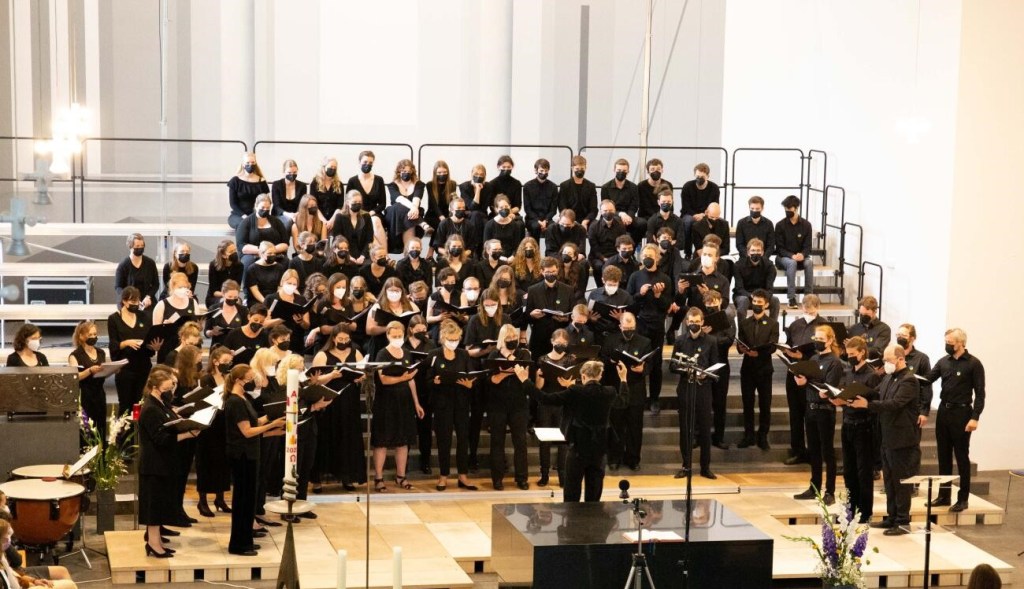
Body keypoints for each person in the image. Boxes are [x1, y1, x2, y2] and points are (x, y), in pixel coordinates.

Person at [526, 359, 629, 502]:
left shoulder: (575, 391)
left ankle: (572, 516)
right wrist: (623, 378)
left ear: (583, 376)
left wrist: (525, 381)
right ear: (600, 376)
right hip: (599, 450)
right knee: (594, 493)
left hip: (578, 449)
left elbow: (545, 398)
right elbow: (623, 401)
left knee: (572, 492)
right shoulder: (609, 391)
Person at [850, 344, 922, 534]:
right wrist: (851, 393)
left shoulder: (909, 380)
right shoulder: (889, 377)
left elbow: (895, 404)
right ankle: (891, 517)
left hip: (902, 439)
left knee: (901, 481)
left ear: (900, 359)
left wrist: (868, 405)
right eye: (884, 360)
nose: (885, 364)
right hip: (886, 436)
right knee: (889, 480)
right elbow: (876, 392)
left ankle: (902, 521)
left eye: (888, 360)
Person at [223, 364, 285, 555]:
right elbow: (247, 432)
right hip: (242, 457)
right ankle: (239, 544)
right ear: (239, 380)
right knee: (242, 501)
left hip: (250, 454)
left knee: (249, 500)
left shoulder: (244, 398)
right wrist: (271, 425)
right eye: (250, 379)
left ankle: (246, 539)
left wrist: (274, 421)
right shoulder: (234, 401)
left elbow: (255, 422)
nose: (253, 382)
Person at [923, 327, 985, 512]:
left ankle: (963, 498)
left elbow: (980, 394)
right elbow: (927, 379)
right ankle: (944, 495)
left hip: (962, 413)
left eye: (950, 343)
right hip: (944, 411)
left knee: (961, 456)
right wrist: (907, 376)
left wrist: (975, 417)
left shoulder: (974, 364)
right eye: (946, 342)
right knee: (943, 455)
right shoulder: (944, 362)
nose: (947, 345)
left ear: (961, 343)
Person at [138, 369, 192, 558]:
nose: (171, 392)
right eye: (167, 388)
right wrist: (187, 434)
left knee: (160, 503)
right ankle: (153, 544)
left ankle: (157, 541)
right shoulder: (151, 408)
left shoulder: (161, 403)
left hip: (163, 462)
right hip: (154, 465)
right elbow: (160, 438)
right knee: (154, 506)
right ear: (155, 388)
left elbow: (170, 421)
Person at [311, 325, 367, 492]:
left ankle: (347, 476)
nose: (343, 342)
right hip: (329, 401)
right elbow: (314, 380)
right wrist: (331, 375)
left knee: (348, 437)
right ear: (333, 338)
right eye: (340, 339)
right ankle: (317, 479)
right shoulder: (323, 354)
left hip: (350, 401)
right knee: (326, 437)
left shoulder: (356, 353)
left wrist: (360, 378)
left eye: (346, 339)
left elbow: (362, 373)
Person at [793, 325, 845, 505]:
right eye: (816, 339)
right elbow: (810, 382)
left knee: (827, 451)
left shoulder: (835, 362)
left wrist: (809, 382)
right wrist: (801, 380)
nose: (818, 342)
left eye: (821, 339)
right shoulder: (814, 358)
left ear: (830, 341)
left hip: (825, 410)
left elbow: (829, 386)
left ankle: (830, 491)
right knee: (813, 450)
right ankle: (814, 487)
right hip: (811, 408)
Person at [372, 321, 426, 491]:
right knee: (381, 441)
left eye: (400, 336)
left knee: (403, 441)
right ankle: (378, 478)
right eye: (394, 336)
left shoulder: (407, 353)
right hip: (386, 402)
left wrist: (416, 403)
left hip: (404, 401)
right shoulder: (382, 353)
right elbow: (383, 379)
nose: (397, 338)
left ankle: (401, 476)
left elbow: (411, 380)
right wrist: (402, 378)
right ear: (388, 335)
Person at [833, 336, 881, 523]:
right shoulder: (848, 372)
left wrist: (862, 403)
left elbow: (875, 402)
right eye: (848, 354)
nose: (850, 357)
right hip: (848, 424)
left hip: (864, 426)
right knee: (849, 471)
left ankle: (864, 512)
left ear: (862, 353)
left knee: (863, 472)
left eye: (853, 354)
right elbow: (843, 394)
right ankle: (850, 510)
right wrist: (838, 399)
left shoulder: (872, 375)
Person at [426, 320, 479, 491]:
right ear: (443, 338)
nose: (453, 342)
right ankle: (443, 476)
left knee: (463, 439)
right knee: (444, 440)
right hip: (442, 403)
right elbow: (426, 379)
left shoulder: (463, 354)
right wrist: (434, 381)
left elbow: (472, 375)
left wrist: (470, 384)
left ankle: (463, 475)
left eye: (456, 339)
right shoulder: (434, 354)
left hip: (461, 402)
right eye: (450, 339)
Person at [670, 307, 719, 479]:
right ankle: (686, 466)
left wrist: (705, 374)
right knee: (685, 429)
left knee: (705, 429)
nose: (694, 325)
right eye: (691, 322)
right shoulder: (680, 340)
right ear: (686, 322)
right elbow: (672, 366)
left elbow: (716, 365)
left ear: (702, 322)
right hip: (686, 387)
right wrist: (686, 370)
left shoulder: (711, 341)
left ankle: (705, 467)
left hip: (703, 389)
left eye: (697, 322)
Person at [780, 294, 827, 465]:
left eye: (812, 312)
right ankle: (798, 451)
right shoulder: (795, 325)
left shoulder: (824, 326)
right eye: (806, 311)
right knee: (795, 414)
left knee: (811, 416)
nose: (808, 314)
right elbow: (789, 344)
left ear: (818, 309)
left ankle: (815, 453)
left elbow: (825, 352)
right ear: (801, 308)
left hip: (812, 375)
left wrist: (803, 356)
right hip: (794, 372)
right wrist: (788, 352)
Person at [601, 312, 650, 471]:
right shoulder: (610, 340)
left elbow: (650, 364)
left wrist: (643, 369)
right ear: (620, 326)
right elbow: (602, 359)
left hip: (635, 388)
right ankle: (614, 458)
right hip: (616, 387)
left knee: (635, 427)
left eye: (632, 328)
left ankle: (633, 459)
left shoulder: (644, 342)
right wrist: (610, 361)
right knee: (616, 425)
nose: (629, 331)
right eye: (626, 328)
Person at [626, 244, 671, 416]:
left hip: (657, 325)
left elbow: (667, 306)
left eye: (650, 255)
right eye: (644, 255)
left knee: (656, 364)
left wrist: (658, 296)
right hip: (640, 324)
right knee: (637, 361)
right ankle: (638, 397)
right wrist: (641, 294)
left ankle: (654, 399)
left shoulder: (665, 278)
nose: (647, 258)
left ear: (657, 257)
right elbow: (630, 302)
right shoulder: (635, 276)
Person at [464, 288, 506, 471]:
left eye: (493, 305)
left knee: (498, 418)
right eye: (487, 305)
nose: (490, 308)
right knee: (476, 416)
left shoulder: (505, 319)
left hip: (497, 370)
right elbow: (468, 350)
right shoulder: (475, 320)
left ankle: (499, 458)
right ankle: (472, 456)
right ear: (482, 304)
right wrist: (485, 350)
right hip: (479, 369)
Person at [487, 324, 533, 490]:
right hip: (498, 404)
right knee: (497, 442)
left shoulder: (523, 354)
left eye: (514, 337)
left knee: (520, 442)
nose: (512, 340)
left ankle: (522, 478)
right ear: (502, 339)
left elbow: (524, 375)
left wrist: (509, 357)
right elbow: (492, 380)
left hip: (519, 404)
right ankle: (497, 478)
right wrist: (505, 373)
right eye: (509, 338)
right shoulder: (494, 355)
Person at [735, 289, 780, 450]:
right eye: (754, 302)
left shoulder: (773, 324)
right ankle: (748, 435)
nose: (756, 305)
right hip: (747, 369)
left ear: (766, 305)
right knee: (747, 404)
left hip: (764, 369)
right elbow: (740, 344)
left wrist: (758, 353)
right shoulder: (744, 323)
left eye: (759, 303)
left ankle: (762, 436)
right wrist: (742, 349)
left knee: (764, 404)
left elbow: (773, 346)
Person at [108, 287, 161, 416]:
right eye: (132, 301)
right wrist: (126, 343)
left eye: (137, 301)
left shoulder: (144, 317)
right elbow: (113, 345)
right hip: (124, 368)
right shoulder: (114, 319)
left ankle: (139, 429)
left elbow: (149, 340)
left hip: (143, 366)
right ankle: (124, 429)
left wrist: (154, 347)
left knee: (141, 404)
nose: (135, 304)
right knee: (125, 405)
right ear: (124, 301)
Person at [533, 329, 575, 487]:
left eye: (564, 343)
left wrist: (568, 383)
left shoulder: (570, 359)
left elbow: (573, 385)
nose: (560, 346)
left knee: (563, 441)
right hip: (546, 402)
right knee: (545, 440)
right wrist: (539, 376)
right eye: (558, 343)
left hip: (563, 403)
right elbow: (538, 387)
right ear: (552, 342)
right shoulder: (543, 359)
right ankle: (544, 475)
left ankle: (563, 475)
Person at [195, 346, 233, 519]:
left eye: (230, 361)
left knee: (223, 463)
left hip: (224, 424)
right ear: (216, 362)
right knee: (206, 462)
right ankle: (202, 501)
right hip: (209, 425)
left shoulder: (229, 378)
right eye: (225, 361)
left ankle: (220, 498)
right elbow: (203, 400)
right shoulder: (206, 378)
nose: (228, 364)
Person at [170, 345, 203, 526]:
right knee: (178, 472)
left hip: (191, 425)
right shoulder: (175, 377)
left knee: (184, 472)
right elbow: (170, 403)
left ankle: (179, 509)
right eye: (198, 356)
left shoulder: (195, 376)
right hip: (180, 428)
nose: (200, 358)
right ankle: (174, 511)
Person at [702, 290, 735, 449]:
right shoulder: (701, 319)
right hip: (704, 365)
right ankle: (701, 436)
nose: (711, 306)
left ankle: (719, 437)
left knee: (720, 403)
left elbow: (728, 340)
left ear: (720, 302)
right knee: (703, 403)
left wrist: (709, 337)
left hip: (721, 365)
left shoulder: (728, 318)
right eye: (708, 303)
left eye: (714, 302)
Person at [406, 317, 437, 474]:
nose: (421, 332)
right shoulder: (404, 345)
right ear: (411, 329)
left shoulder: (430, 344)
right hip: (406, 389)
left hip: (425, 388)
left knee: (425, 428)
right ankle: (403, 462)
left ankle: (425, 460)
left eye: (423, 329)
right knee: (406, 427)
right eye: (417, 330)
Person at [525, 257, 574, 357]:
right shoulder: (533, 290)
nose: (551, 274)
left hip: (561, 338)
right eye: (547, 272)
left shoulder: (568, 290)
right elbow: (527, 316)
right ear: (542, 272)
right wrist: (532, 315)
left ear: (558, 270)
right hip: (540, 338)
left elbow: (572, 313)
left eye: (553, 271)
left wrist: (567, 318)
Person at [774, 194, 815, 308]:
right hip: (783, 258)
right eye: (785, 209)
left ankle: (808, 297)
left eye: (789, 209)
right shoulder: (780, 225)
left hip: (800, 258)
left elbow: (808, 246)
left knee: (809, 262)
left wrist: (803, 254)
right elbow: (779, 248)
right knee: (792, 263)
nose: (787, 211)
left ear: (796, 208)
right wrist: (792, 256)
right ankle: (791, 298)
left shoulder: (806, 225)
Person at [70, 321, 108, 443]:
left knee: (100, 427)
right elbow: (75, 376)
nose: (93, 337)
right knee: (86, 430)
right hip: (85, 395)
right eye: (90, 334)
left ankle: (101, 452)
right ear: (81, 336)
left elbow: (103, 369)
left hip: (99, 394)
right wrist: (90, 370)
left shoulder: (101, 352)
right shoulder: (75, 355)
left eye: (95, 334)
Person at [151, 272, 198, 364]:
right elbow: (155, 332)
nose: (183, 290)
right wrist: (165, 327)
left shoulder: (193, 303)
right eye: (180, 287)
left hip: (188, 349)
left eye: (185, 287)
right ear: (172, 287)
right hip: (168, 348)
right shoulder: (162, 305)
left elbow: (197, 327)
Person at [262, 269, 311, 353]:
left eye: (294, 284)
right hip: (276, 340)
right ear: (282, 282)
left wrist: (301, 321)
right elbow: (264, 324)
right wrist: (284, 318)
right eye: (289, 283)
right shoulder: (270, 298)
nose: (291, 286)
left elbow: (307, 325)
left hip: (296, 340)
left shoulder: (301, 300)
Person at [384, 159, 427, 254]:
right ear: (399, 171)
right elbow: (399, 198)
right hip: (394, 215)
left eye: (408, 171)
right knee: (400, 206)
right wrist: (413, 208)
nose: (406, 173)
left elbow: (417, 198)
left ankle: (408, 255)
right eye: (403, 171)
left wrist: (414, 208)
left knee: (408, 217)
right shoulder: (392, 185)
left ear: (412, 171)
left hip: (412, 215)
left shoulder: (419, 184)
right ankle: (422, 223)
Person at [235, 194, 290, 268]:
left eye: (268, 208)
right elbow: (241, 246)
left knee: (286, 262)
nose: (265, 210)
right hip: (253, 255)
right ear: (256, 206)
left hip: (274, 253)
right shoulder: (245, 223)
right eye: (262, 207)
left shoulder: (277, 222)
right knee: (248, 262)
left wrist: (271, 251)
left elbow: (285, 243)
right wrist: (262, 251)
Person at [679, 163, 720, 257]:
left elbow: (714, 205)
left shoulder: (714, 188)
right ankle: (688, 253)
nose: (699, 179)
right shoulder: (687, 187)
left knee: (715, 221)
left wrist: (704, 215)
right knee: (688, 222)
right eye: (697, 176)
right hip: (689, 214)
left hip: (707, 214)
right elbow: (685, 207)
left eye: (702, 177)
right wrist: (695, 215)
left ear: (708, 176)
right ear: (694, 175)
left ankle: (709, 252)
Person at [733, 238, 780, 319]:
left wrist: (762, 298)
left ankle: (772, 326)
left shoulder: (769, 266)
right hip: (745, 296)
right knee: (743, 300)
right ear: (748, 252)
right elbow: (739, 289)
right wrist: (751, 296)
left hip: (763, 296)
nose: (755, 253)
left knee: (775, 300)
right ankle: (742, 327)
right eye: (753, 250)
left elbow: (769, 289)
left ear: (762, 252)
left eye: (758, 250)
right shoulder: (738, 265)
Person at [601, 158, 643, 244]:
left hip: (629, 216)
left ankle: (631, 247)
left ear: (628, 171)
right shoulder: (606, 187)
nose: (621, 172)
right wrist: (621, 214)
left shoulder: (633, 187)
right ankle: (617, 247)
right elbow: (605, 206)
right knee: (617, 223)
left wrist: (629, 217)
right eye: (619, 170)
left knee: (642, 224)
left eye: (624, 171)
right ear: (614, 170)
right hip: (611, 215)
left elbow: (634, 205)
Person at [330, 190, 381, 260]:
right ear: (347, 202)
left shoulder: (366, 216)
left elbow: (369, 240)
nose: (357, 204)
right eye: (354, 202)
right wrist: (348, 257)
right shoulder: (340, 217)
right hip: (344, 254)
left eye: (359, 202)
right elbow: (337, 239)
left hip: (363, 254)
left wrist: (363, 256)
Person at [588, 200, 628, 287]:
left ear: (615, 210)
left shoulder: (620, 225)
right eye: (605, 211)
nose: (608, 213)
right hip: (599, 256)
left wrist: (616, 257)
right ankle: (601, 288)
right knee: (599, 266)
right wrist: (604, 258)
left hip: (616, 255)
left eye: (610, 210)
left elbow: (622, 242)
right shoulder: (593, 226)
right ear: (601, 211)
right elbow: (594, 248)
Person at [114, 233, 160, 309]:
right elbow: (118, 287)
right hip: (129, 300)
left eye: (142, 246)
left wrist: (148, 296)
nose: (140, 248)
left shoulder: (150, 263)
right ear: (130, 247)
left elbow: (156, 284)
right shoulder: (123, 265)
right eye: (137, 246)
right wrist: (129, 298)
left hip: (146, 300)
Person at [227, 152, 270, 229]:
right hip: (238, 215)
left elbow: (266, 202)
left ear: (255, 163)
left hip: (257, 215)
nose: (250, 165)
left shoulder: (261, 181)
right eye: (247, 163)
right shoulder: (235, 181)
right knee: (244, 224)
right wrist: (244, 216)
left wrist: (258, 216)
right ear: (243, 164)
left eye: (252, 162)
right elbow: (233, 204)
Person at [558, 155, 598, 230]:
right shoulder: (564, 186)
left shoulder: (591, 186)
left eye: (582, 168)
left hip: (586, 219)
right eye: (577, 169)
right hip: (569, 219)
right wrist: (571, 221)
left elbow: (594, 209)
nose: (580, 171)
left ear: (585, 168)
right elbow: (562, 208)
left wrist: (585, 221)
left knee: (596, 226)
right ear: (572, 168)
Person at [523, 158, 558, 240]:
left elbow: (553, 210)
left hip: (548, 219)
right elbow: (527, 209)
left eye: (546, 171)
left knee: (553, 227)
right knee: (535, 227)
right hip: (532, 219)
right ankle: (536, 248)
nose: (544, 173)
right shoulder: (527, 186)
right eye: (541, 170)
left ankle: (550, 248)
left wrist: (545, 220)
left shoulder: (553, 187)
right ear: (536, 170)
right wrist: (538, 221)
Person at [345, 151, 387, 218]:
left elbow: (382, 204)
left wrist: (371, 213)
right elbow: (348, 202)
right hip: (356, 213)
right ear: (359, 162)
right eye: (365, 162)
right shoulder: (352, 181)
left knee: (375, 220)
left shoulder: (379, 180)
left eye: (370, 163)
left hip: (374, 214)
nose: (367, 164)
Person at [423, 161, 456, 242]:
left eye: (444, 172)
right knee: (440, 224)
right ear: (435, 173)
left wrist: (454, 214)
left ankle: (438, 247)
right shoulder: (430, 184)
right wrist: (441, 216)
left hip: (446, 213)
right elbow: (433, 203)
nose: (442, 174)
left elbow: (453, 201)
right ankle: (433, 248)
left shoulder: (452, 184)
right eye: (439, 172)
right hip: (432, 214)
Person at [206, 239, 244, 307]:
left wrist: (231, 296)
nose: (234, 253)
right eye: (231, 251)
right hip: (216, 297)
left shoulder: (240, 266)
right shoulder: (213, 265)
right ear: (223, 255)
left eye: (235, 250)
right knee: (224, 302)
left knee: (238, 302)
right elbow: (213, 291)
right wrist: (227, 296)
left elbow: (237, 287)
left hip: (233, 296)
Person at [639, 159, 673, 229]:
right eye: (652, 169)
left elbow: (671, 204)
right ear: (648, 171)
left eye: (658, 169)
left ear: (662, 170)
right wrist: (657, 217)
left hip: (664, 214)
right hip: (646, 217)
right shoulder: (641, 186)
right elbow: (644, 206)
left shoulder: (668, 184)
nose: (656, 171)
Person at [309, 156, 344, 224]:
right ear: (324, 167)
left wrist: (331, 221)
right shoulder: (314, 183)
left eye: (335, 168)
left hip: (335, 219)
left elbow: (339, 206)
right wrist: (324, 222)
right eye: (331, 167)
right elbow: (314, 205)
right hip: (318, 218)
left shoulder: (339, 185)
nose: (333, 169)